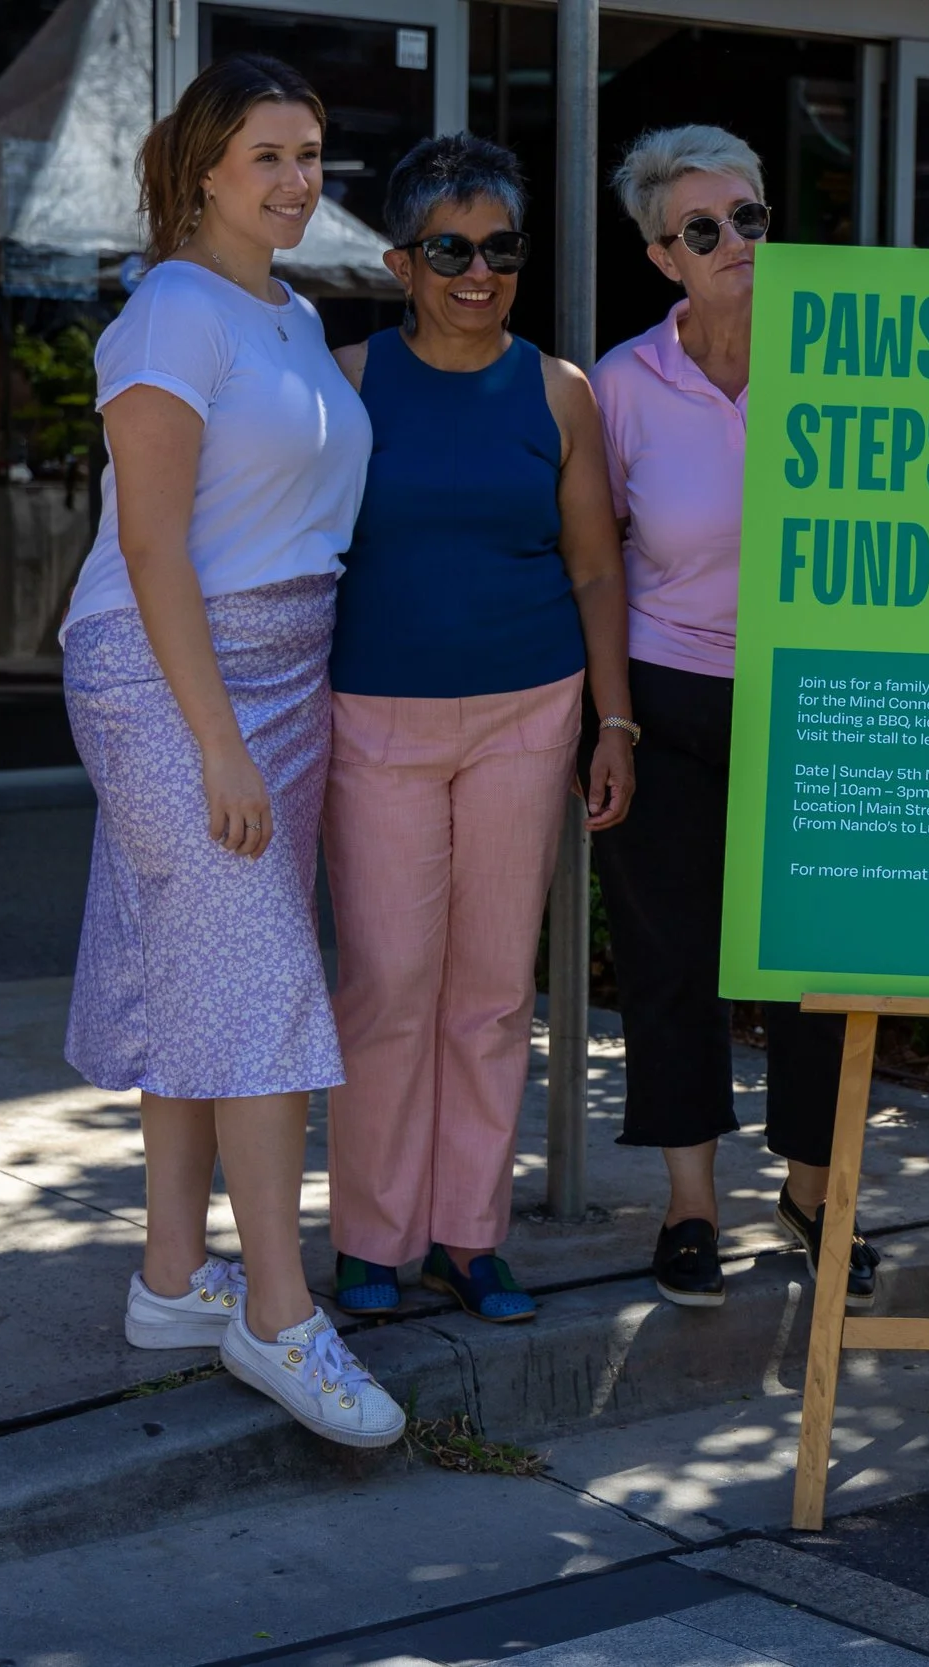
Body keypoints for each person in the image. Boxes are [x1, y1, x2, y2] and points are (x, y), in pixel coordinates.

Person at [64, 55, 402, 1447]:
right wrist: (215, 740)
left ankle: (168, 1276)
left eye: (312, 154)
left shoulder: (296, 312)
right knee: (259, 977)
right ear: (202, 165)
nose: (295, 179)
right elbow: (150, 543)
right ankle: (276, 1308)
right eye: (267, 155)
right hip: (170, 669)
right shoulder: (171, 315)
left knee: (190, 954)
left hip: (289, 659)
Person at [321, 134, 636, 1325]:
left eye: (500, 247)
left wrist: (615, 723)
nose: (478, 269)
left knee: (496, 989)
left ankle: (468, 1233)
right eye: (450, 247)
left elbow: (598, 569)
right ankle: (372, 1235)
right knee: (390, 981)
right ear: (402, 259)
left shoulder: (560, 390)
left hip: (527, 710)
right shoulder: (347, 380)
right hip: (376, 713)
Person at [586, 125, 878, 1310]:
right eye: (702, 228)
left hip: (821, 703)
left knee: (821, 961)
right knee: (671, 965)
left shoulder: (855, 359)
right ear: (663, 258)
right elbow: (595, 564)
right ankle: (691, 1203)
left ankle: (814, 1191)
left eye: (750, 217)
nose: (735, 243)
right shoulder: (620, 388)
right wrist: (610, 723)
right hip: (668, 694)